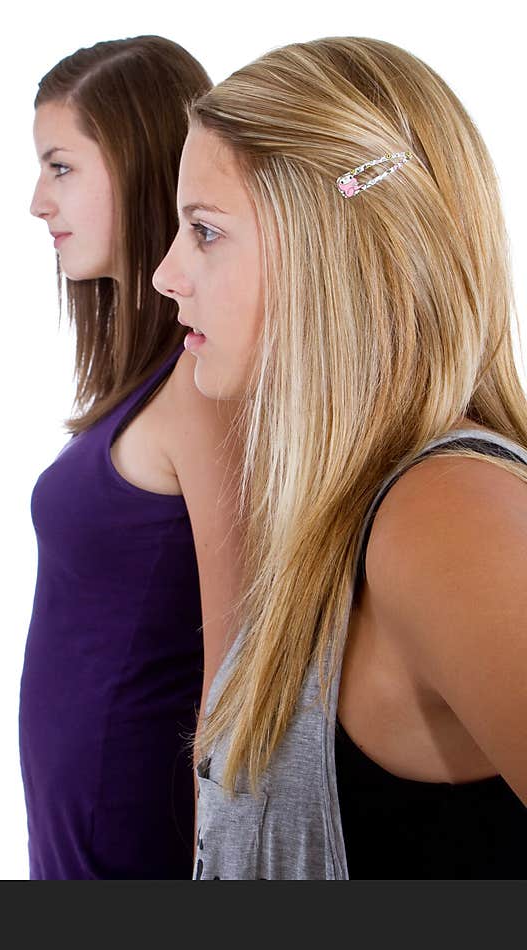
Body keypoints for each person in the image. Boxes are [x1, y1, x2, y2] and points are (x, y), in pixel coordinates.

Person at [152, 36, 527, 879]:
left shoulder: (445, 515)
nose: (167, 274)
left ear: (330, 249)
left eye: (205, 232)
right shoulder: (352, 514)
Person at [19, 36, 246, 879]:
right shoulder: (153, 382)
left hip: (137, 845)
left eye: (61, 167)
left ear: (140, 162)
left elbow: (238, 670)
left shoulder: (199, 383)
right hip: (83, 835)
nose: (38, 201)